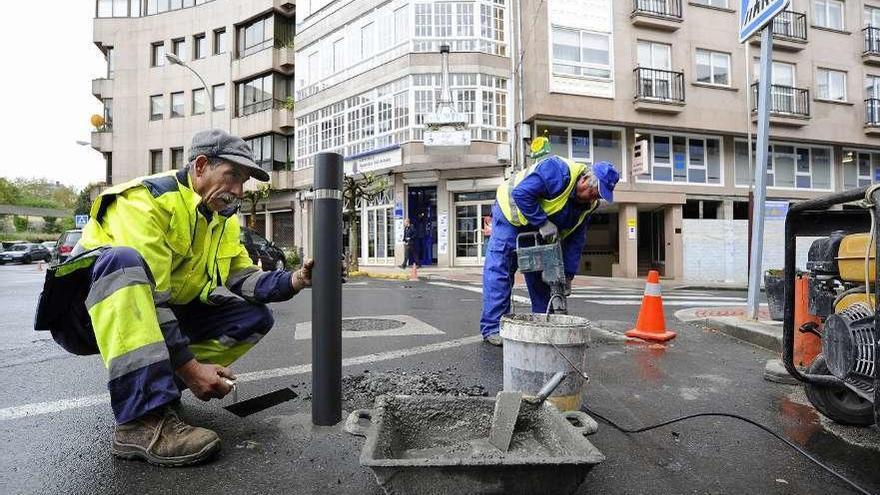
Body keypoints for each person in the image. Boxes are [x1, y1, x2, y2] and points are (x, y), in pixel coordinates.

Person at [34, 129, 315, 466]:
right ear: (200, 166)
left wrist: (297, 279)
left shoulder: (220, 219)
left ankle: (160, 393)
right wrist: (192, 369)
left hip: (154, 310)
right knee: (122, 260)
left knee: (254, 317)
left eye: (243, 182)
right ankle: (140, 420)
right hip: (87, 315)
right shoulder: (146, 200)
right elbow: (150, 295)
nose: (239, 191)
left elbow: (243, 278)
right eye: (232, 176)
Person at [479, 145, 620, 346]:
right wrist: (542, 222)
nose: (594, 198)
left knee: (542, 274)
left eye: (599, 196)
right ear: (585, 179)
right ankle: (492, 327)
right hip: (511, 215)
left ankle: (545, 323)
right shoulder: (558, 171)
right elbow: (521, 194)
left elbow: (576, 240)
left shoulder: (588, 206)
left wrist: (568, 276)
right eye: (594, 192)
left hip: (537, 226)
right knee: (501, 269)